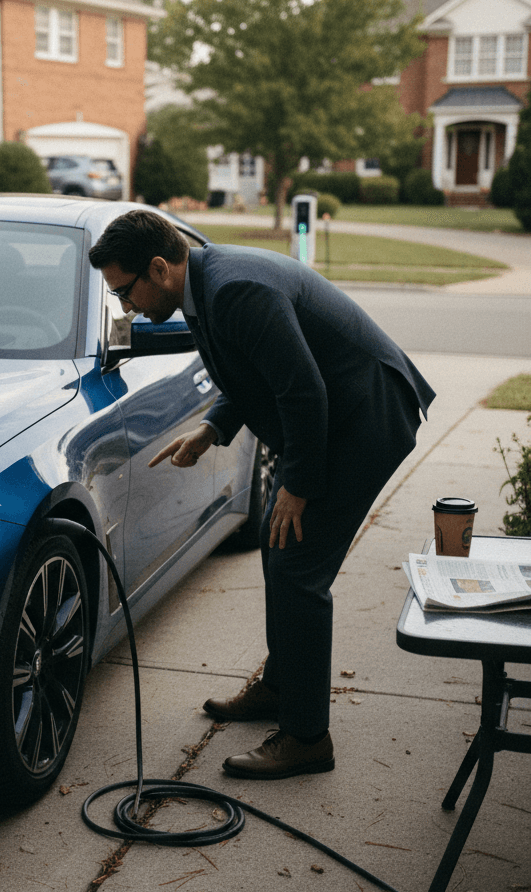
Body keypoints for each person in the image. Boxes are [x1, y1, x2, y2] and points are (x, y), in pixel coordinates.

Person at [88, 209, 434, 780]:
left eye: (125, 292)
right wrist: (211, 429)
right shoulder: (203, 286)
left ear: (158, 267)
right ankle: (281, 685)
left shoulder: (235, 288)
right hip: (333, 413)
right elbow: (253, 372)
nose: (127, 308)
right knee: (279, 551)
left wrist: (297, 485)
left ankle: (305, 737)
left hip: (365, 416)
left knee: (298, 568)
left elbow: (302, 390)